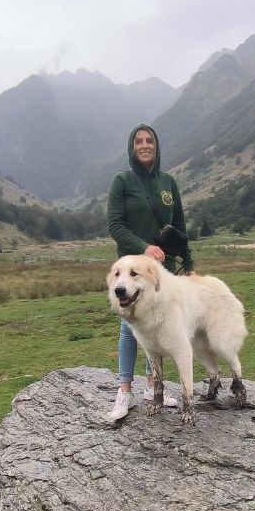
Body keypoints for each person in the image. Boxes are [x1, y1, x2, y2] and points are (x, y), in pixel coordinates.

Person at [106, 123, 194, 420]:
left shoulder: (168, 182)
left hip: (164, 273)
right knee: (130, 328)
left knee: (160, 327)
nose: (145, 145)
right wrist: (143, 247)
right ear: (132, 146)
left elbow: (180, 229)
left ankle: (152, 384)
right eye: (139, 141)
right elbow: (115, 225)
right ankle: (124, 390)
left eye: (150, 141)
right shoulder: (122, 181)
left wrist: (190, 265)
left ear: (156, 146)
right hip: (132, 271)